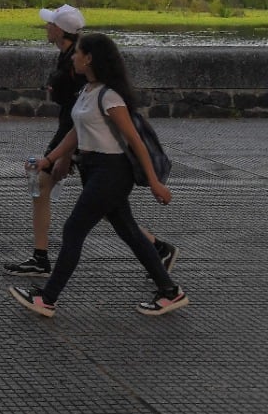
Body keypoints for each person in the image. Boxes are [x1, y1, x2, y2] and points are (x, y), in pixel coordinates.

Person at [10, 32, 189, 317]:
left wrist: (155, 183)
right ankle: (170, 291)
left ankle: (47, 298)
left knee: (74, 229)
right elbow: (74, 132)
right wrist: (49, 159)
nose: (74, 57)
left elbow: (135, 141)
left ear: (89, 58)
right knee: (129, 231)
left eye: (78, 53)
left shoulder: (110, 96)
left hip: (112, 172)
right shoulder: (87, 91)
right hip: (93, 169)